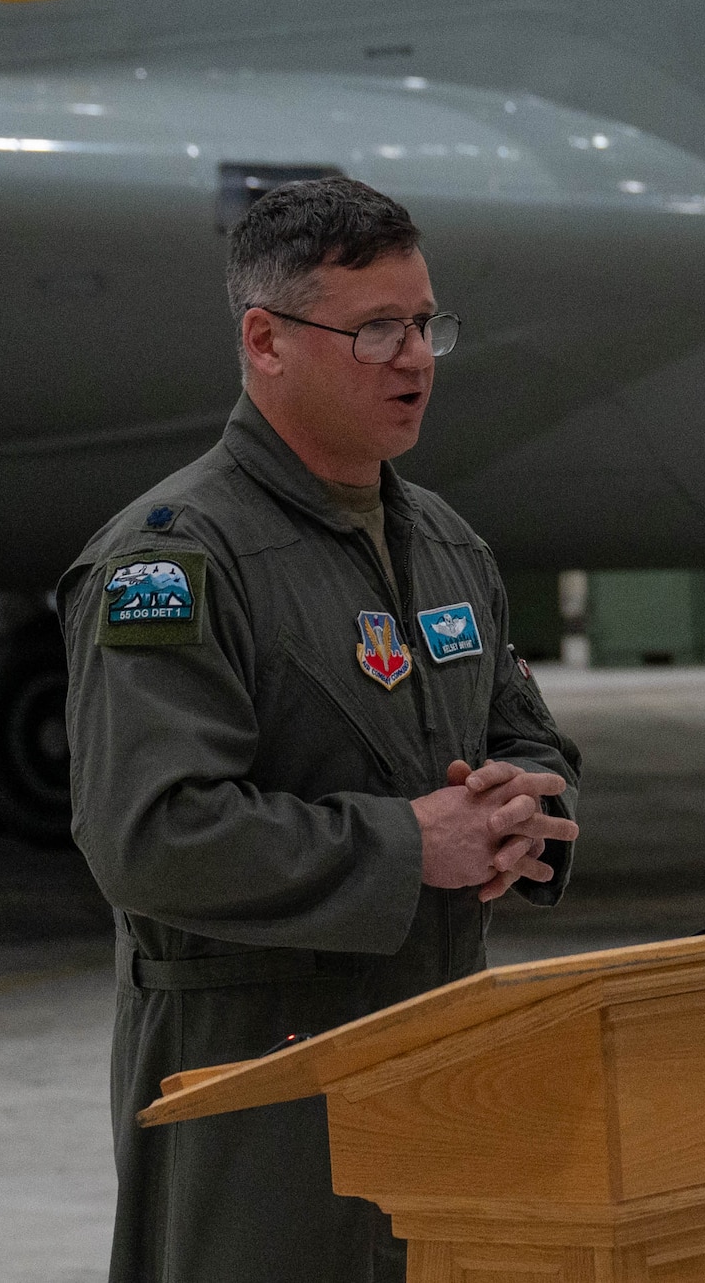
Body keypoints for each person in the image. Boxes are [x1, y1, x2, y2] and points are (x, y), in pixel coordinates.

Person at [58, 175, 582, 1283]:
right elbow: (148, 833)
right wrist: (409, 843)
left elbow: (524, 735)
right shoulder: (174, 561)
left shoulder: (445, 542)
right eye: (375, 328)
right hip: (258, 1089)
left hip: (441, 1061)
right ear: (267, 340)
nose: (415, 357)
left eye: (425, 322)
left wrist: (524, 810)